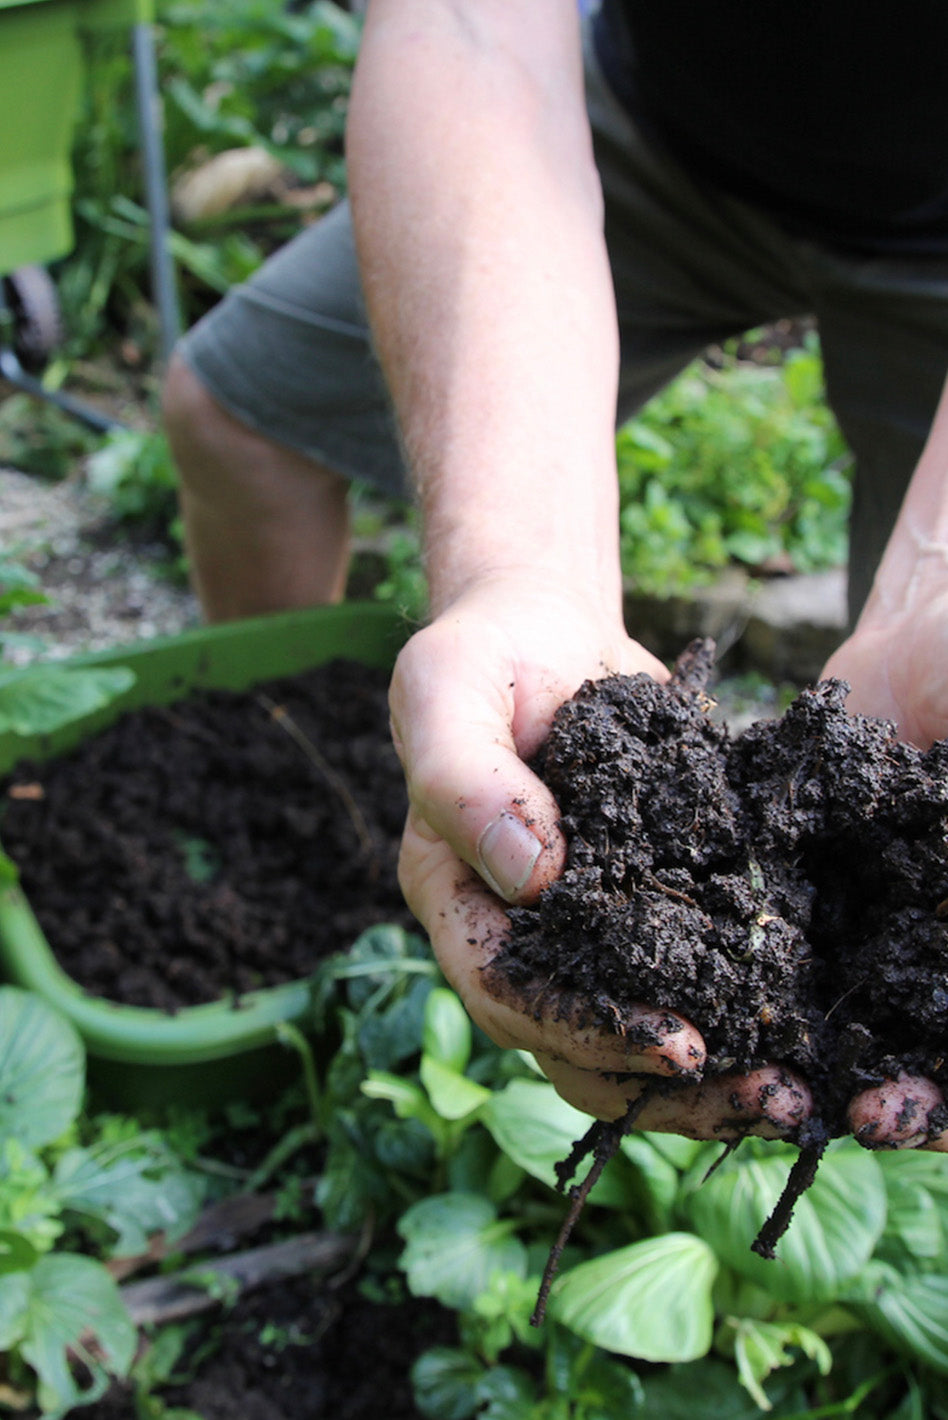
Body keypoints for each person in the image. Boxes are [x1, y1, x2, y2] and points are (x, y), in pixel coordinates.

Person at [163, 0, 948, 1149]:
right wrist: (516, 569)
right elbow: (470, 25)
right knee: (238, 414)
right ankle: (321, 830)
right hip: (643, 121)